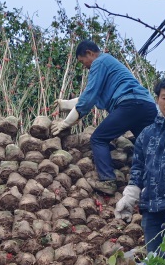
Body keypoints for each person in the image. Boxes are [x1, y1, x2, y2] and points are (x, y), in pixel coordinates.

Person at [50, 40, 157, 195]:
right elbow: (88, 97)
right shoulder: (109, 65)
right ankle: (156, 182)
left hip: (130, 104)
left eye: (82, 61)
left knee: (98, 139)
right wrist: (64, 105)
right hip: (146, 106)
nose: (85, 66)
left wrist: (66, 123)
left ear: (89, 53)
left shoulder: (99, 62)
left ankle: (108, 181)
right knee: (149, 147)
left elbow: (88, 98)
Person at [115, 77, 165, 253]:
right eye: (164, 98)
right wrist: (130, 196)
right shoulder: (147, 134)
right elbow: (138, 167)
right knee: (155, 262)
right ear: (157, 99)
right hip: (150, 208)